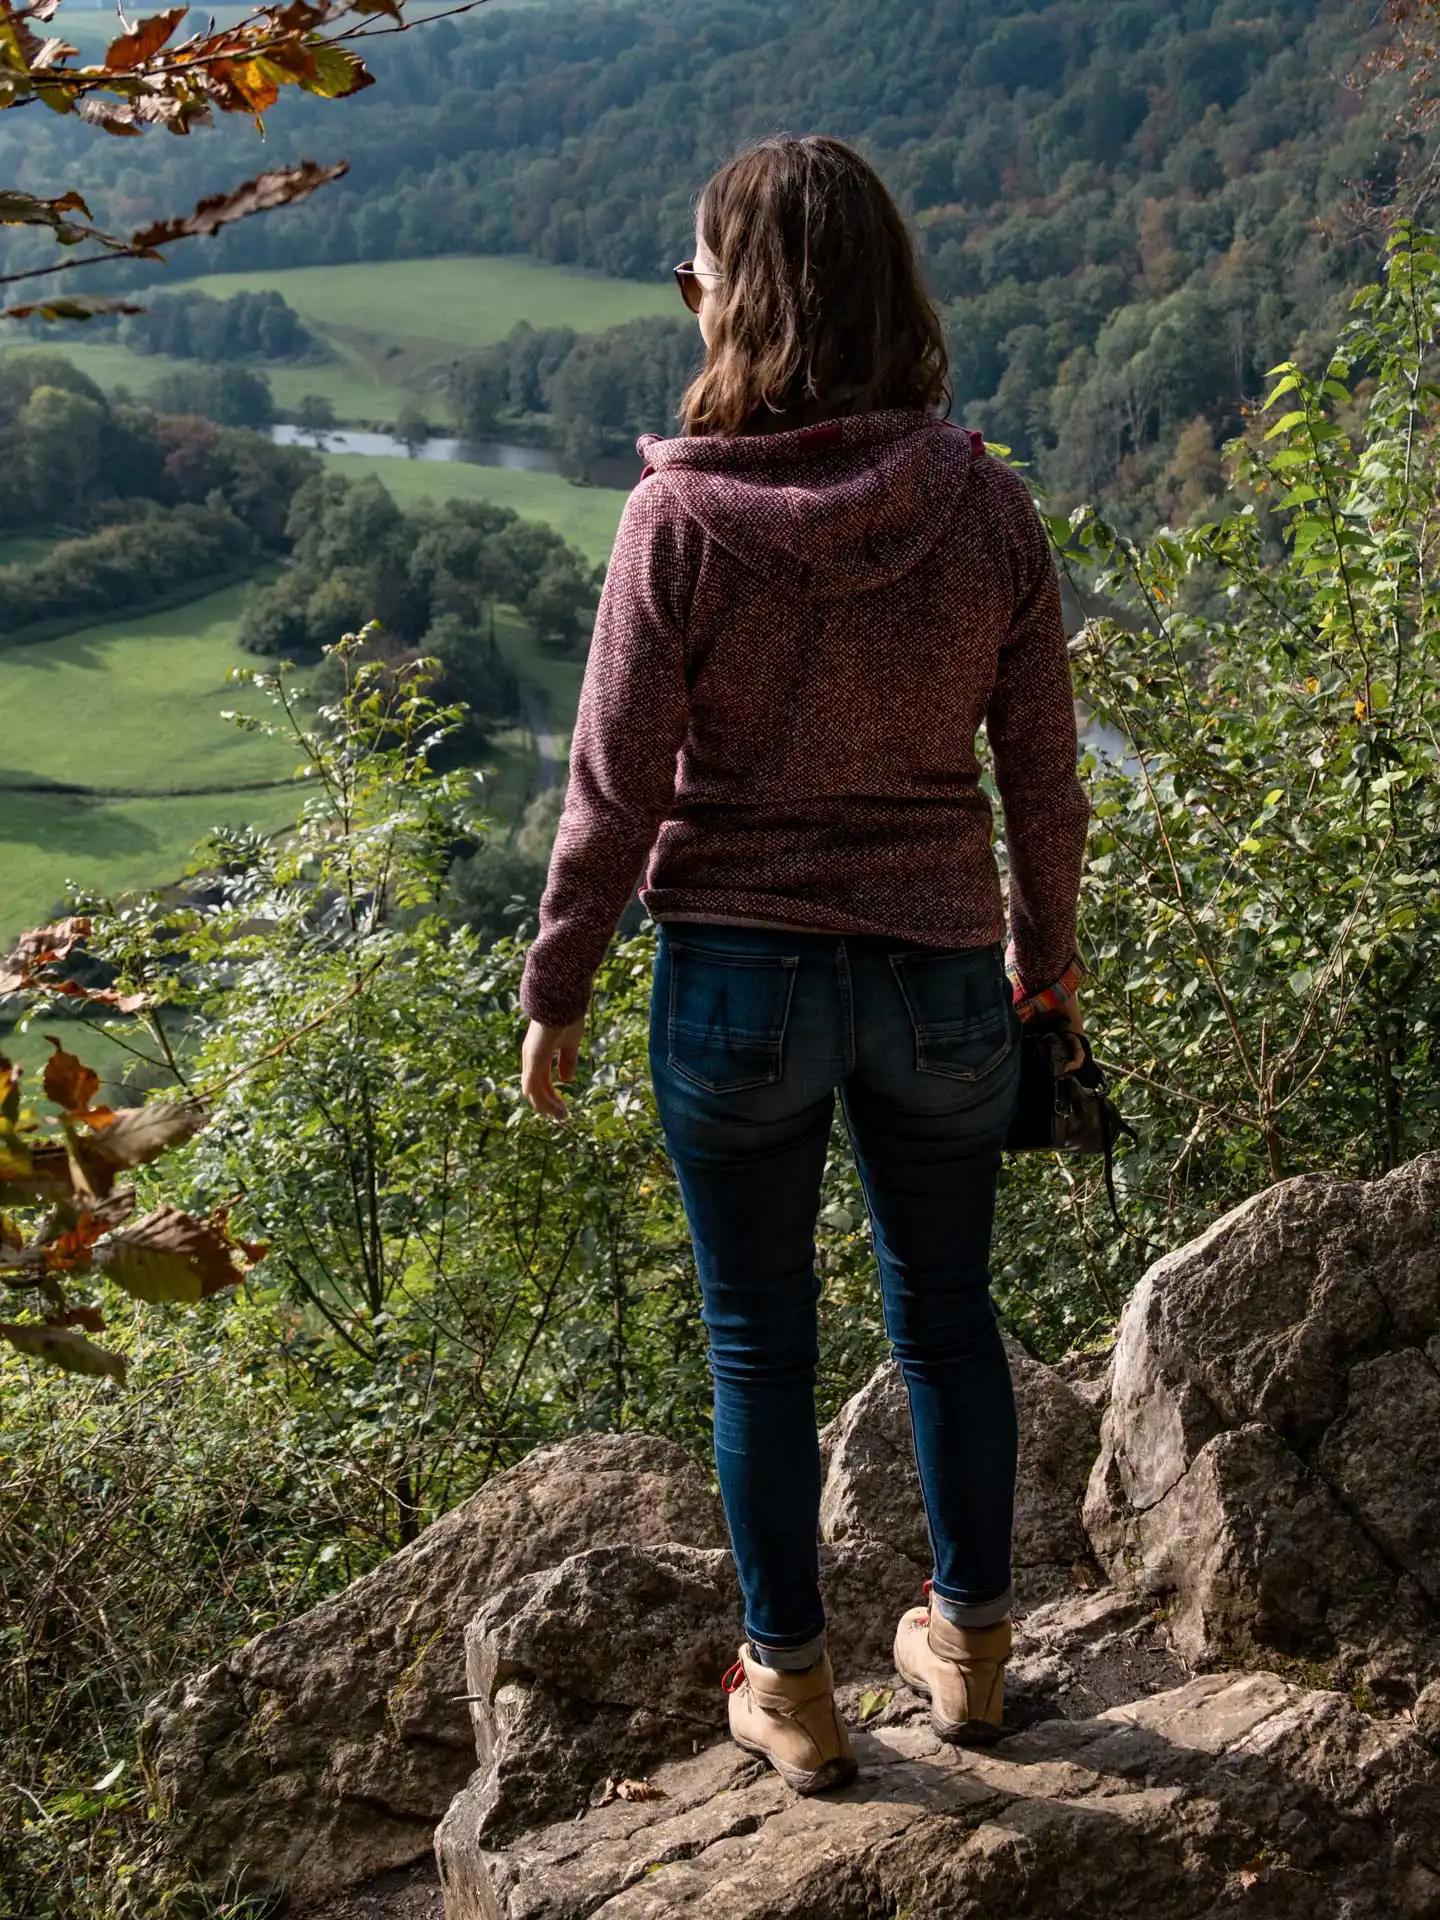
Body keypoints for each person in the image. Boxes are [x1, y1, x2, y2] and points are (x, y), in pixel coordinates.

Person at [518, 132, 1090, 1796]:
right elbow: (1043, 784)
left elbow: (614, 791)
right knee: (950, 1320)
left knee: (759, 1339)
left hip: (735, 988)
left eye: (692, 273)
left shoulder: (676, 520)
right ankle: (974, 1651)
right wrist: (1043, 973)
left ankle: (794, 1684)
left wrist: (556, 985)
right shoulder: (984, 503)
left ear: (730, 299)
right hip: (937, 975)